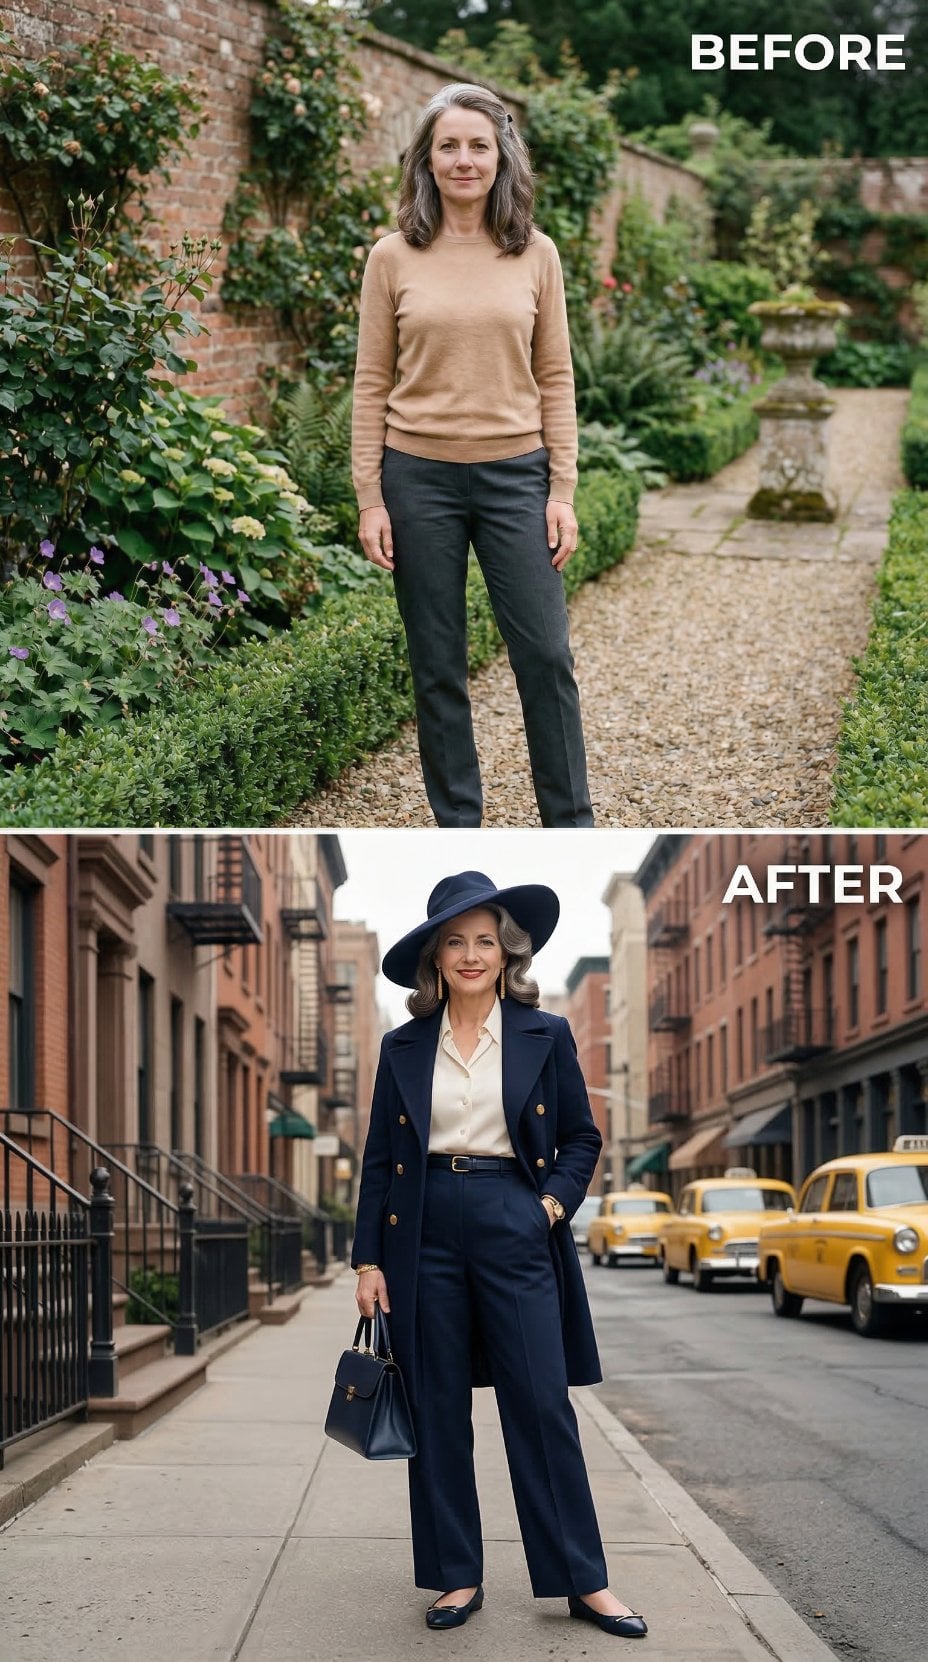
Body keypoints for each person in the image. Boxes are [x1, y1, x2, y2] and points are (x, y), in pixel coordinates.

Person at [352, 871, 647, 1638]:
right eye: (457, 941)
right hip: (421, 1232)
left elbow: (582, 1137)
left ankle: (584, 1581)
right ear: (436, 957)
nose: (472, 953)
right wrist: (366, 1260)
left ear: (506, 951)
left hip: (513, 1219)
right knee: (438, 1406)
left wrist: (546, 1208)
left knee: (541, 1403)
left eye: (486, 939)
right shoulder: (403, 1045)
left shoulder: (544, 1033)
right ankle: (457, 1576)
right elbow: (381, 1156)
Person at [351, 82, 594, 830]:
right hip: (417, 479)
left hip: (516, 478)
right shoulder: (393, 257)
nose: (463, 160)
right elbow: (371, 380)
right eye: (448, 145)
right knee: (438, 666)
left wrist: (562, 489)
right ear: (426, 159)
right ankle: (457, 820)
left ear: (501, 157)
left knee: (546, 657)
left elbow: (556, 375)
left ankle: (571, 823)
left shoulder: (535, 254)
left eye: (478, 146)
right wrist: (370, 496)